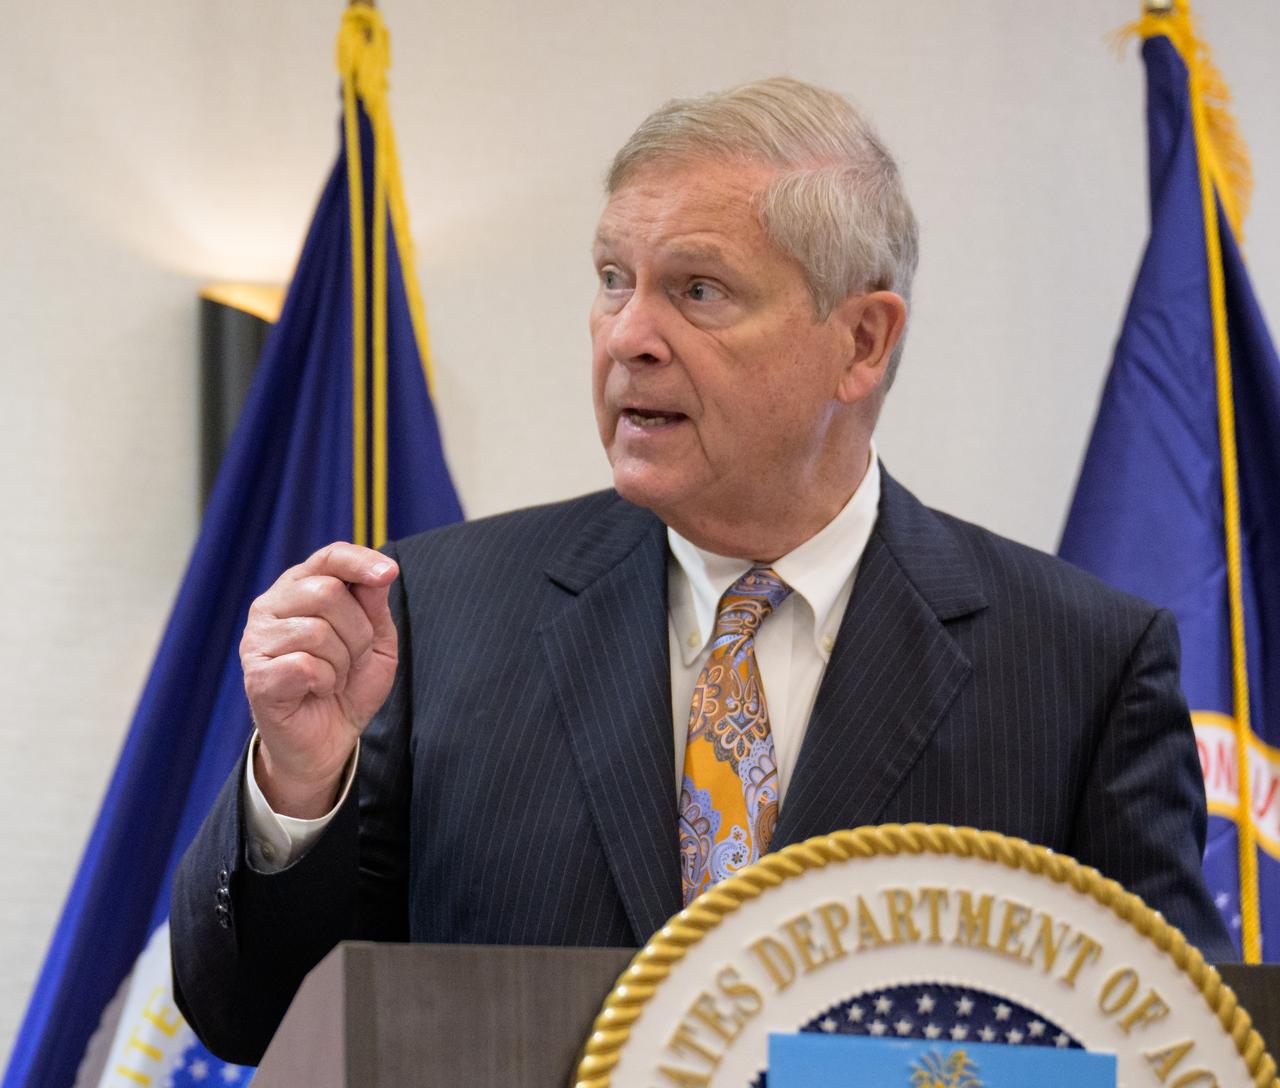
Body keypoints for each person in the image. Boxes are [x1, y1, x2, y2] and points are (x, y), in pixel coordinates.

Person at [171, 76, 1234, 1064]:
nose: (628, 335)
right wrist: (299, 781)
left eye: (697, 289)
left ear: (860, 340)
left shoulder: (1077, 665)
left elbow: (1174, 1052)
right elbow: (252, 1017)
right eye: (610, 280)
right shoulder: (440, 613)